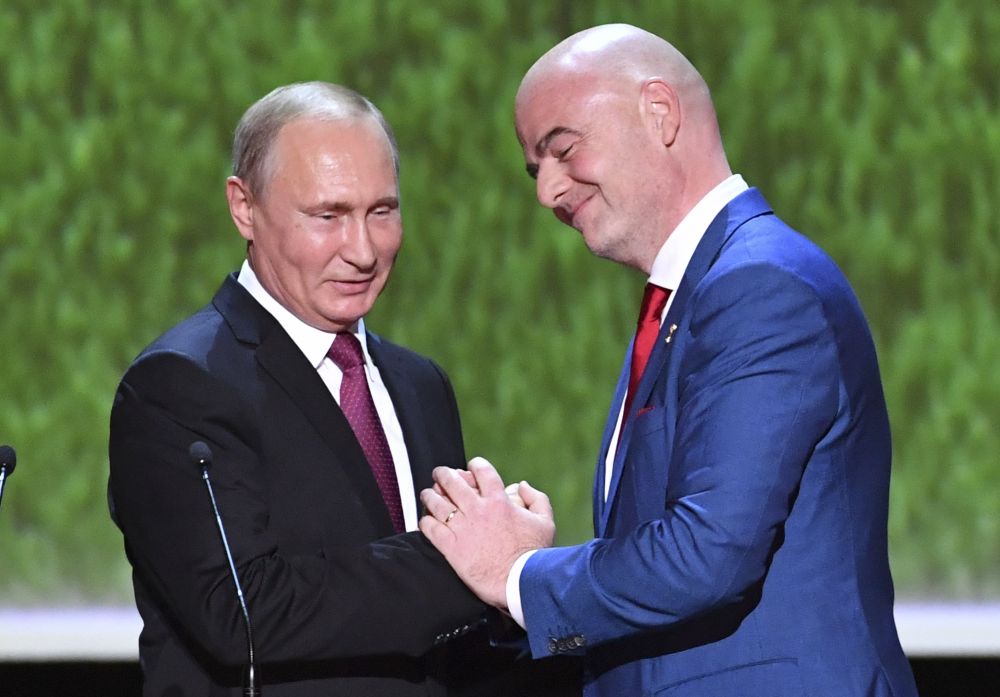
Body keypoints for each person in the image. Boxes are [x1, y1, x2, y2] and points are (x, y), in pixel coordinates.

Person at [420, 24, 919, 697]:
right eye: (536, 170)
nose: (546, 193)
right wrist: (527, 602)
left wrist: (516, 572)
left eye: (562, 150)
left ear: (660, 113)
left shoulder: (760, 286)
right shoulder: (691, 296)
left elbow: (709, 556)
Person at [109, 82, 500, 696]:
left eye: (382, 211)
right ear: (244, 207)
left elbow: (447, 630)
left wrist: (523, 584)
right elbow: (240, 611)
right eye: (329, 216)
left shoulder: (420, 385)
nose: (364, 250)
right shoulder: (179, 386)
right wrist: (472, 559)